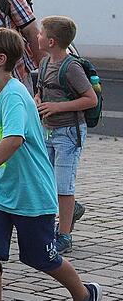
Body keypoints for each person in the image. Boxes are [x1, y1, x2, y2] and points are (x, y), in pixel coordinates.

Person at [0, 27, 101, 301]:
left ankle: (84, 295)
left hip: (31, 194)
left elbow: (12, 140)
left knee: (40, 257)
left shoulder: (16, 95)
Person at [35, 16, 96, 254]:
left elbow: (90, 99)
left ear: (51, 41)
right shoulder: (44, 63)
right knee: (46, 182)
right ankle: (49, 227)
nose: (37, 36)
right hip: (47, 130)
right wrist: (38, 100)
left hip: (69, 133)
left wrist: (58, 107)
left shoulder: (70, 67)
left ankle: (65, 235)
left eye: (40, 33)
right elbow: (41, 90)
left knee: (63, 186)